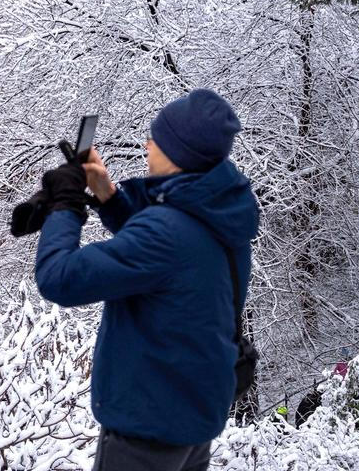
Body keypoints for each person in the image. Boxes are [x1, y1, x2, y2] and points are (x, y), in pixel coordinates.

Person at [32, 89, 258, 471]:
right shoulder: (222, 214)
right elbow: (166, 256)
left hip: (146, 432)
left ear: (178, 153)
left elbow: (58, 278)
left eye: (156, 138)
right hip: (193, 421)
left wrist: (64, 205)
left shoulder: (166, 234)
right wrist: (107, 195)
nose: (146, 144)